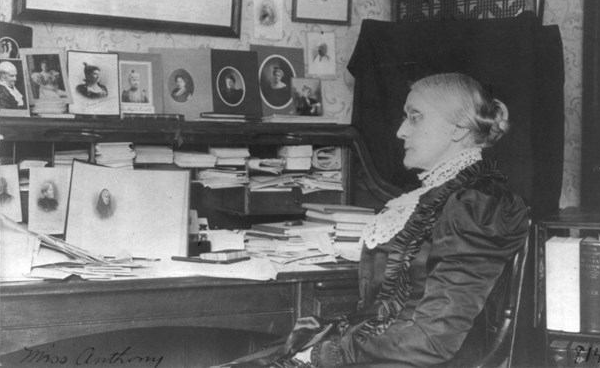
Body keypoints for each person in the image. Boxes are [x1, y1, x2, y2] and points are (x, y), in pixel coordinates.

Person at [220, 73, 529, 368]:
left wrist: (323, 354)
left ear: (458, 128)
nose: (401, 131)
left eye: (415, 116)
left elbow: (434, 339)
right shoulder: (435, 197)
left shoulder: (476, 204)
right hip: (386, 354)